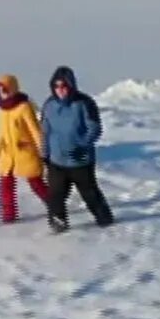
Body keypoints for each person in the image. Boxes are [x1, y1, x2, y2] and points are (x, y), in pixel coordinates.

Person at [39, 65, 113, 230]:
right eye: (57, 86)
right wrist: (44, 154)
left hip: (80, 160)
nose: (61, 90)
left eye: (64, 86)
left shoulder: (84, 103)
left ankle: (105, 219)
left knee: (89, 193)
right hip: (57, 161)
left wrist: (83, 146)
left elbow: (94, 128)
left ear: (71, 85)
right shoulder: (49, 105)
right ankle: (58, 223)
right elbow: (45, 131)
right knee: (56, 195)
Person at [0, 74, 49, 225]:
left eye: (5, 88)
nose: (3, 92)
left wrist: (43, 151)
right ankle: (9, 216)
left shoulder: (24, 107)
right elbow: (1, 134)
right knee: (6, 185)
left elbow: (35, 130)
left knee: (36, 182)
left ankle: (54, 204)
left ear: (13, 88)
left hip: (25, 152)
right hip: (8, 155)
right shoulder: (1, 110)